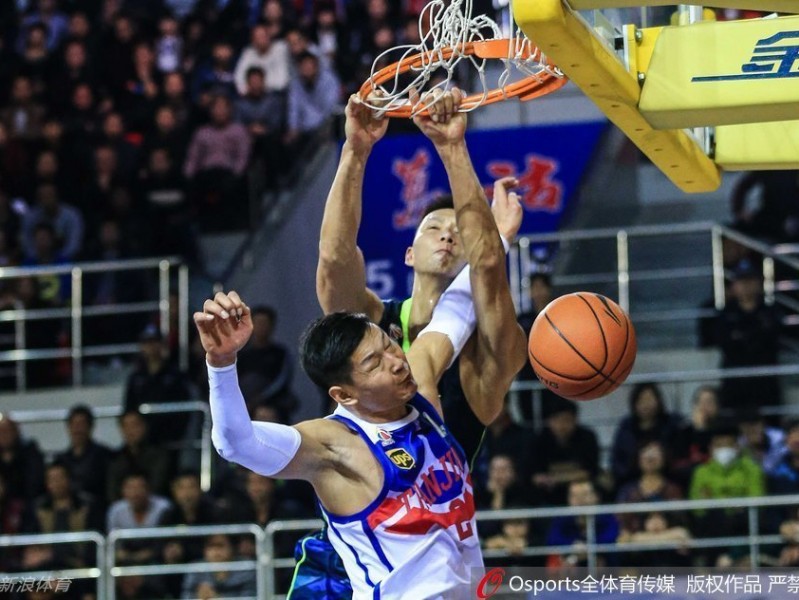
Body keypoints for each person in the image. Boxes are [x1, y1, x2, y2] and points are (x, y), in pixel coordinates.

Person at [196, 189, 525, 600]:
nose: (396, 362)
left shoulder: (418, 378)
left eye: (390, 347)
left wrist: (499, 238)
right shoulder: (335, 445)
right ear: (345, 394)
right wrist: (222, 362)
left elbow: (458, 308)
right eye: (375, 364)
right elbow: (235, 443)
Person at [316, 89, 524, 462]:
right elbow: (335, 257)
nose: (447, 234)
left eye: (461, 232)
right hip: (355, 515)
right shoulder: (374, 322)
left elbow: (489, 265)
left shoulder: (485, 351)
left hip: (437, 518)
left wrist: (452, 145)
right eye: (433, 228)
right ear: (408, 254)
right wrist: (355, 150)